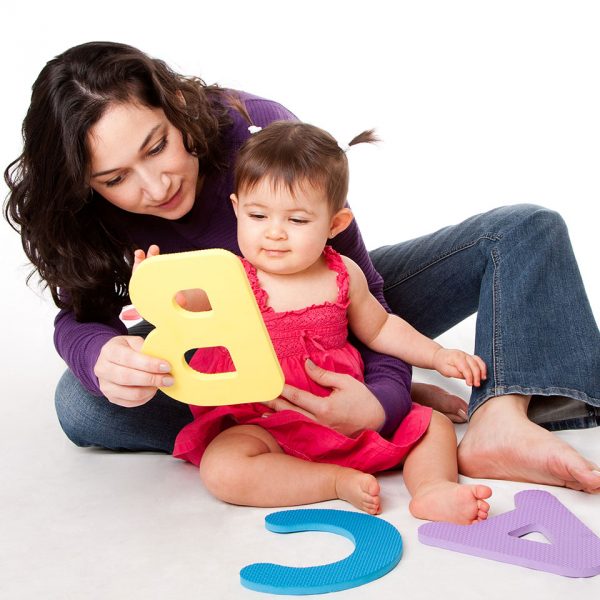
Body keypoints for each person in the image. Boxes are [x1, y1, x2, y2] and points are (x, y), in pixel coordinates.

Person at [4, 41, 599, 495]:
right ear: (82, 185)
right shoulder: (80, 213)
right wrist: (101, 356)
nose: (155, 186)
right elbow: (80, 315)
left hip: (330, 317)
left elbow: (372, 293)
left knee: (524, 230)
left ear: (176, 106)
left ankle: (500, 417)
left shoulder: (257, 134)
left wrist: (380, 399)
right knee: (80, 403)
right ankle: (290, 432)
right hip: (229, 371)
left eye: (157, 146)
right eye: (114, 180)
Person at [132, 120, 492, 522]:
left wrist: (437, 354)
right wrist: (154, 283)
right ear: (236, 209)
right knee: (222, 468)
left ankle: (432, 489)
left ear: (335, 224)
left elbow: (381, 328)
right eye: (257, 215)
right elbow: (184, 303)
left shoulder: (343, 274)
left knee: (434, 427)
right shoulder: (233, 276)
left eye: (297, 221)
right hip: (265, 422)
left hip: (345, 413)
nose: (275, 234)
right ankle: (333, 481)